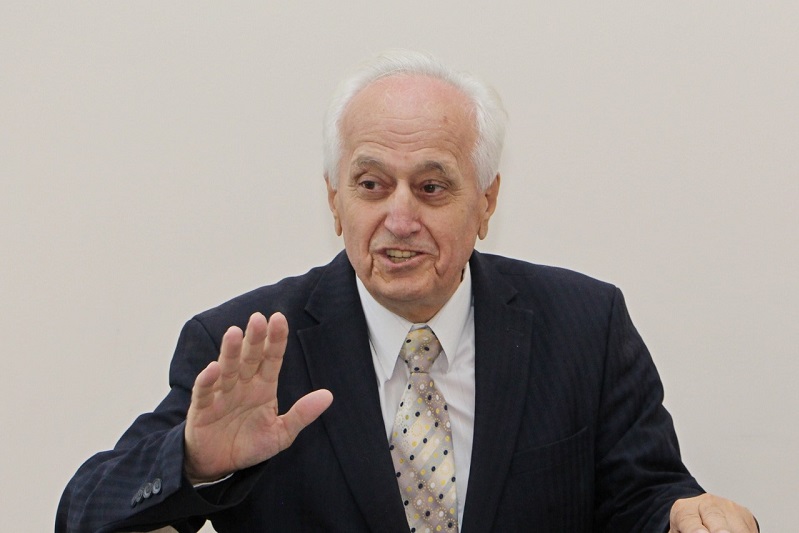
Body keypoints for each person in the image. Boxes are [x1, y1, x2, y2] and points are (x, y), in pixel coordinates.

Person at [57, 49, 758, 533]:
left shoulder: (585, 326)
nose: (399, 218)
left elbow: (646, 497)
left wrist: (688, 516)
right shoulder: (245, 346)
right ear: (335, 202)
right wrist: (195, 462)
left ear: (485, 203)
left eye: (431, 187)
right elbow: (82, 512)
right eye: (371, 185)